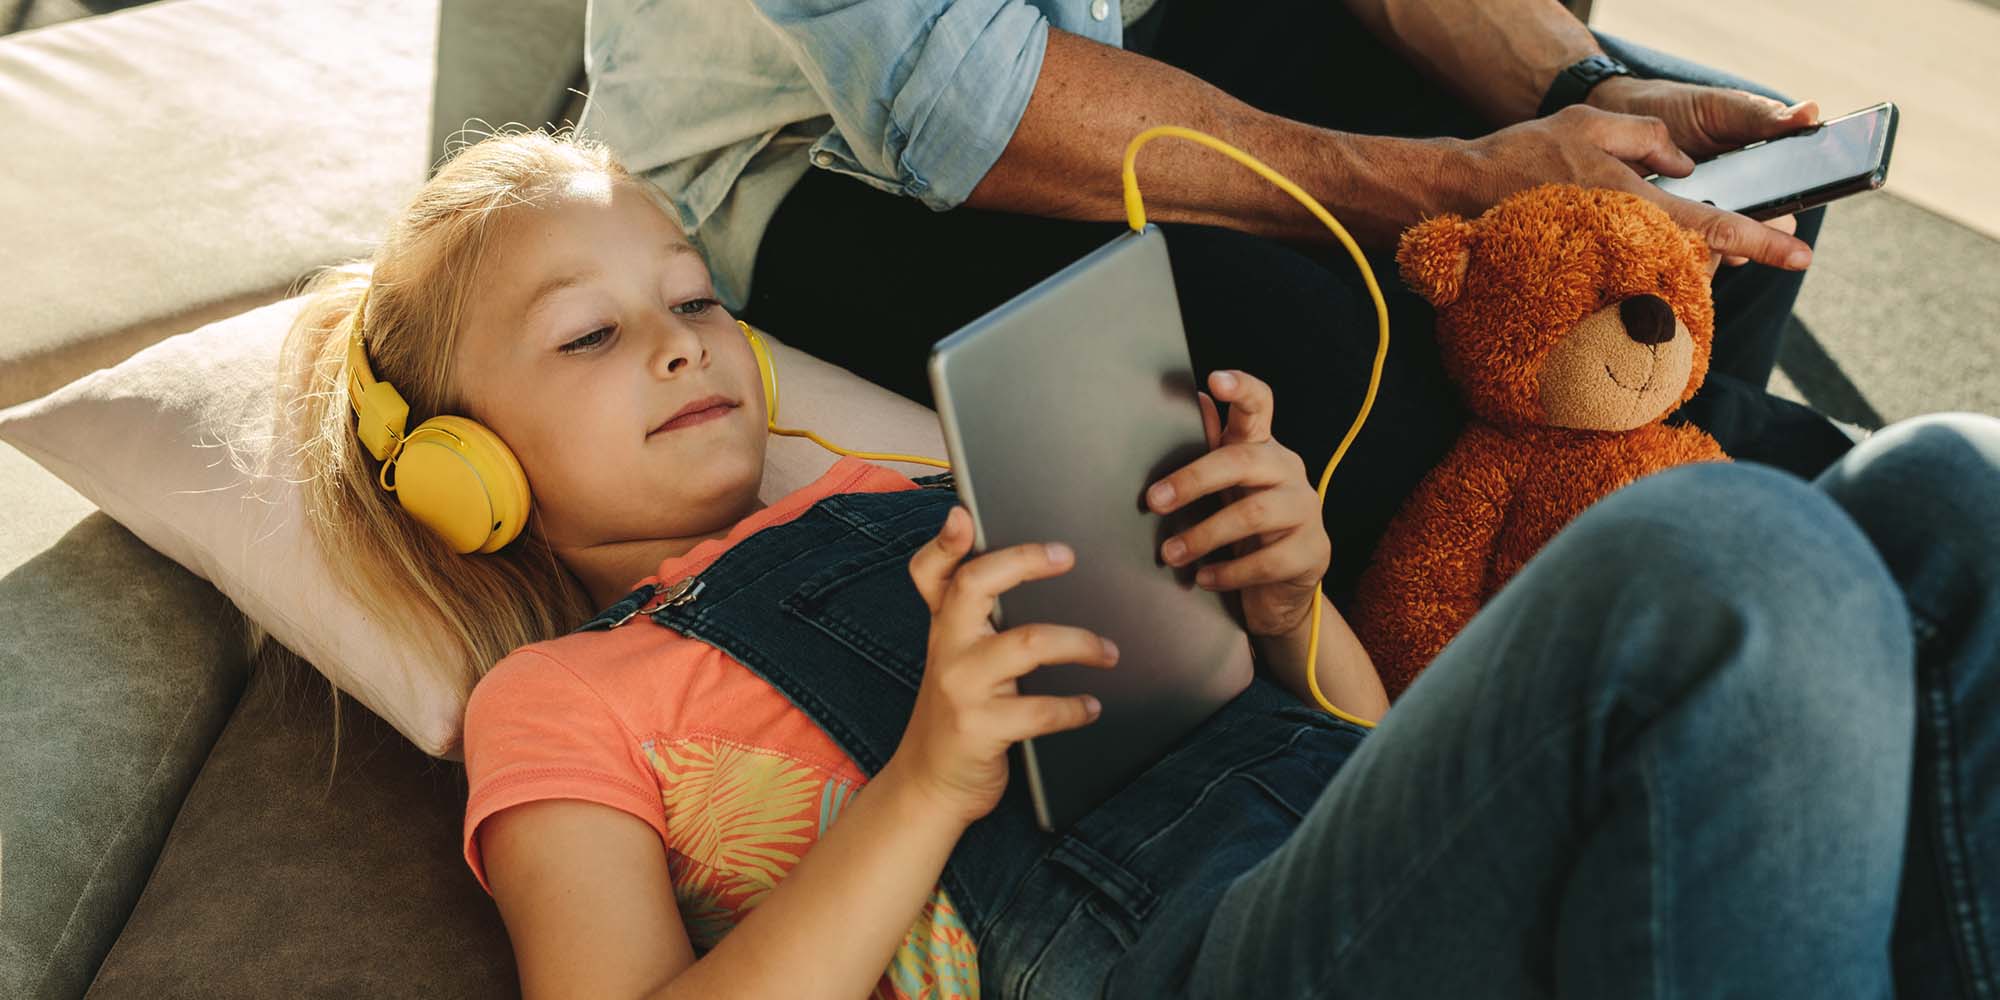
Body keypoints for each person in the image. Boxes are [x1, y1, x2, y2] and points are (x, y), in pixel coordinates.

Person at [278, 131, 1997, 998]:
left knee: (1949, 494)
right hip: (1178, 966)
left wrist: (1283, 596)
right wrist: (930, 781)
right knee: (1716, 556)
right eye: (589, 335)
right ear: (462, 473)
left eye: (696, 299)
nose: (681, 346)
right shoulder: (558, 700)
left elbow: (1352, 745)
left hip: (1348, 861)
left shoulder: (922, 478)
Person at [578, 0, 1859, 601]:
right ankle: (1780, 587)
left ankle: (1717, 559)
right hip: (814, 151)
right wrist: (1449, 187)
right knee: (1335, 374)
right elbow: (955, 98)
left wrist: (1564, 90)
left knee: (1709, 224)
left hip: (1126, 25)